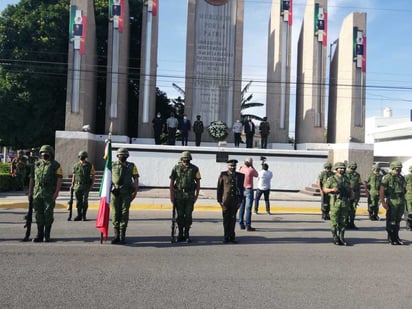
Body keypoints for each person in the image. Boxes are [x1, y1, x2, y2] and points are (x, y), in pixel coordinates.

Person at [28, 145, 63, 242]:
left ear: (51, 154)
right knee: (38, 214)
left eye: (47, 154)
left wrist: (56, 193)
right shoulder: (36, 165)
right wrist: (30, 192)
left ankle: (47, 235)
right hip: (37, 192)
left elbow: (59, 180)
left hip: (49, 193)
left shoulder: (56, 165)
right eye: (43, 154)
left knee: (48, 214)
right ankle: (40, 234)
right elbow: (32, 179)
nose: (44, 155)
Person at [169, 151, 201, 243]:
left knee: (188, 216)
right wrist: (171, 195)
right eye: (184, 159)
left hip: (190, 195)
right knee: (179, 216)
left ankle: (186, 234)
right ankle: (180, 234)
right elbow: (172, 182)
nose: (186, 161)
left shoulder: (195, 169)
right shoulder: (176, 168)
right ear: (181, 159)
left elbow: (198, 183)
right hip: (179, 195)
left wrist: (196, 195)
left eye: (187, 159)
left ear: (190, 159)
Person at [110, 148, 139, 244]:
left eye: (124, 155)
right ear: (117, 156)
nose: (122, 156)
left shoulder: (131, 166)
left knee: (124, 213)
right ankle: (116, 235)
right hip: (115, 193)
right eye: (120, 155)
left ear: (127, 156)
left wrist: (135, 192)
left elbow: (135, 179)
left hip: (126, 193)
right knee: (115, 213)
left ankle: (122, 236)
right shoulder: (112, 165)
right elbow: (107, 178)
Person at [323, 162, 353, 246]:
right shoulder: (331, 179)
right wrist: (332, 189)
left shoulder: (346, 179)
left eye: (343, 168)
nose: (342, 170)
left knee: (343, 221)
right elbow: (325, 189)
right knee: (334, 221)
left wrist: (352, 196)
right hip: (335, 203)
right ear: (336, 169)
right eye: (340, 168)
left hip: (344, 202)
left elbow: (350, 189)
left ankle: (342, 238)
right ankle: (335, 238)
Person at [217, 159, 245, 244]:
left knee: (232, 219)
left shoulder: (240, 176)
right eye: (231, 165)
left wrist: (240, 200)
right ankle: (226, 237)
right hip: (226, 201)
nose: (232, 167)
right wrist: (219, 200)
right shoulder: (223, 175)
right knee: (226, 220)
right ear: (227, 166)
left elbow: (241, 189)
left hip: (235, 201)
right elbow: (219, 188)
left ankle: (232, 237)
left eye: (234, 166)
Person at [380, 161, 406, 245]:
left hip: (400, 200)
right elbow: (382, 189)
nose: (398, 169)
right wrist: (383, 202)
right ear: (393, 168)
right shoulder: (387, 177)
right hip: (392, 200)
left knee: (398, 220)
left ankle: (396, 236)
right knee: (391, 220)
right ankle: (391, 237)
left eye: (400, 168)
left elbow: (403, 188)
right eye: (397, 168)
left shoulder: (401, 177)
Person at [70, 150, 96, 221]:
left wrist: (92, 185)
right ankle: (79, 215)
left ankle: (84, 215)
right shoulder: (76, 165)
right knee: (78, 202)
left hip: (86, 186)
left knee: (85, 201)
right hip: (77, 186)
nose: (82, 158)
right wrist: (72, 185)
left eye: (83, 157)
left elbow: (93, 176)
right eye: (81, 157)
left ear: (85, 157)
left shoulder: (90, 165)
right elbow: (74, 176)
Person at [238, 157, 258, 231]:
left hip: (242, 189)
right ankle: (248, 225)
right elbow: (256, 175)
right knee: (248, 208)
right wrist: (252, 166)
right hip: (249, 189)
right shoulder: (251, 170)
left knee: (241, 207)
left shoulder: (241, 169)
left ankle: (241, 223)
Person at [346, 162, 362, 229]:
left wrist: (358, 195)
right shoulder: (345, 174)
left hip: (355, 194)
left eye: (354, 167)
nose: (353, 168)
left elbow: (359, 184)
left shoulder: (357, 175)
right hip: (347, 194)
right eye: (352, 167)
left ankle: (352, 223)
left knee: (353, 209)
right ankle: (346, 223)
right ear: (349, 167)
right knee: (346, 209)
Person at [405, 166, 412, 230]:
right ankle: (408, 225)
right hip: (408, 196)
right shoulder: (407, 177)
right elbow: (403, 185)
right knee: (408, 212)